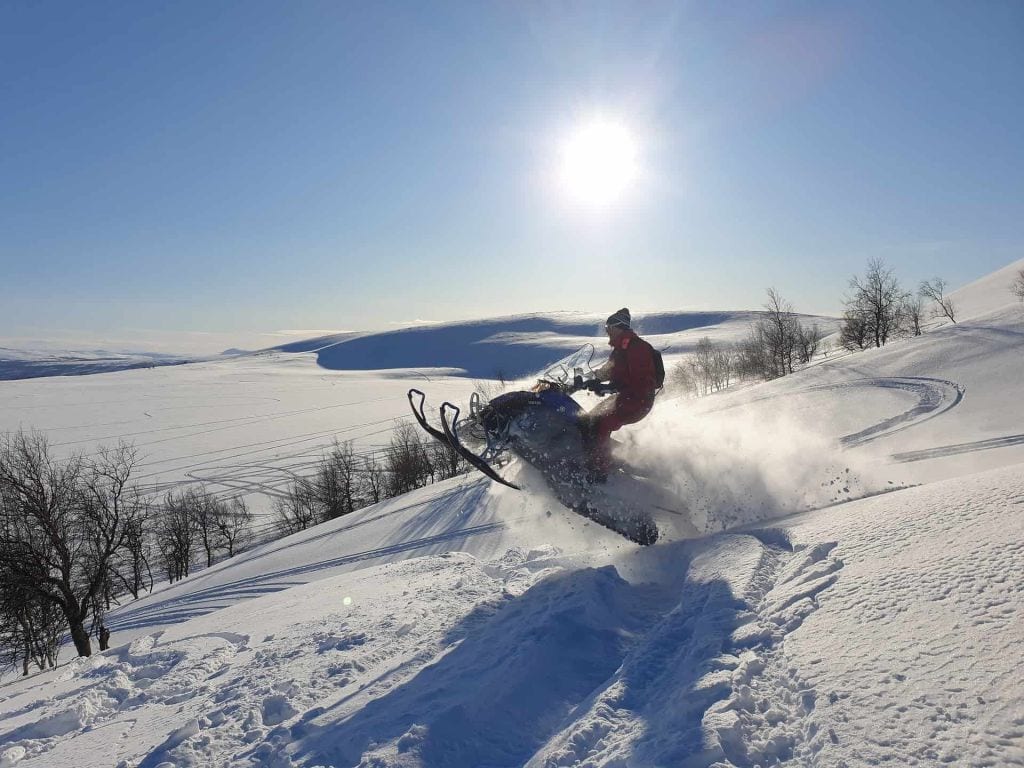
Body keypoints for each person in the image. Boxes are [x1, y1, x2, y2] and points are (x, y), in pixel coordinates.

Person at [578, 308, 659, 482]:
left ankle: (599, 474)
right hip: (624, 397)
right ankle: (606, 456)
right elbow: (608, 371)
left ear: (619, 327)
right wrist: (586, 380)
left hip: (638, 400)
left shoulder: (638, 348)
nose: (606, 331)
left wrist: (610, 388)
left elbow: (640, 380)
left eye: (609, 327)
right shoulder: (620, 350)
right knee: (587, 419)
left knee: (600, 424)